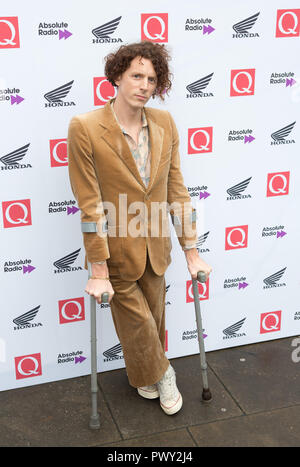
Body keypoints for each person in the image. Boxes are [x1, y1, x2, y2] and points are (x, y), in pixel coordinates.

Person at [68, 41, 212, 416]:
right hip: (114, 250)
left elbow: (177, 191)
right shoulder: (84, 127)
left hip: (157, 248)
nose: (144, 85)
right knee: (139, 325)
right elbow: (89, 203)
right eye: (136, 75)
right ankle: (165, 373)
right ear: (117, 76)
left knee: (149, 324)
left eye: (152, 78)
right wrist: (98, 269)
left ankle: (146, 375)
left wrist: (191, 251)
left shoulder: (165, 123)